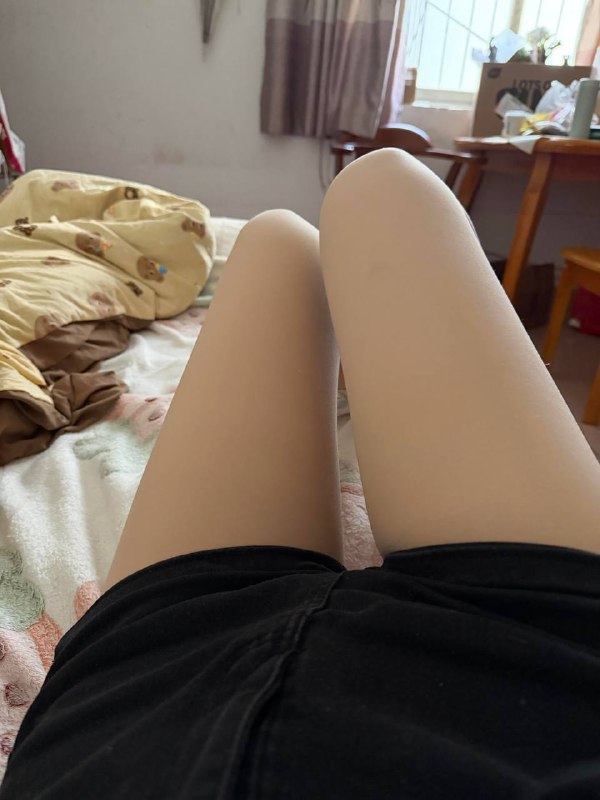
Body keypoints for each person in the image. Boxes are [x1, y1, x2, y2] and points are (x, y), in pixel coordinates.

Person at [2, 149, 600, 799]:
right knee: (375, 188)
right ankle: (353, 355)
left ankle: (348, 354)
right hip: (546, 663)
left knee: (283, 236)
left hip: (140, 687)